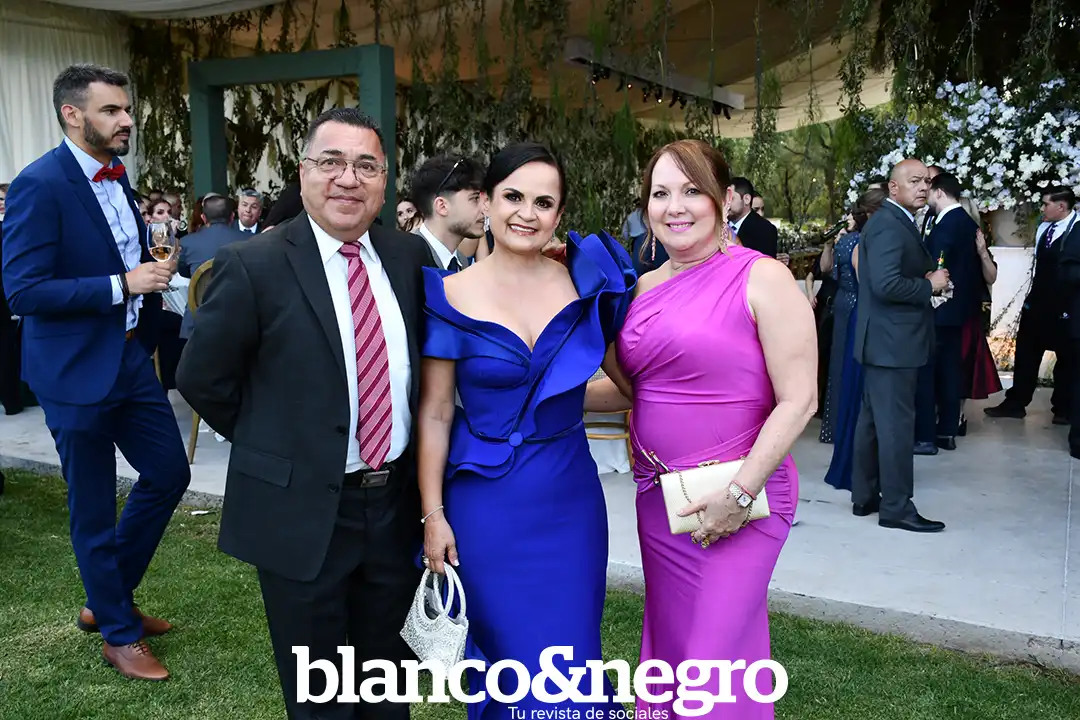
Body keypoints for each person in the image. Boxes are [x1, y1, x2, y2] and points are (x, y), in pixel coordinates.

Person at [176, 107, 434, 720]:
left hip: (393, 508)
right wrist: (281, 445)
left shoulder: (409, 258)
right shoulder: (252, 264)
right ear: (303, 172)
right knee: (320, 697)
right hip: (299, 513)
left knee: (386, 689)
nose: (348, 178)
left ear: (385, 179)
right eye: (331, 162)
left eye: (366, 165)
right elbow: (203, 379)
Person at [586, 139, 817, 718]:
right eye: (660, 193)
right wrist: (539, 396)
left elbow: (800, 400)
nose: (675, 207)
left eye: (691, 190)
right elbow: (641, 390)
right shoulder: (642, 289)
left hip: (745, 498)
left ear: (723, 198)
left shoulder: (763, 278)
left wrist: (738, 494)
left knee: (708, 666)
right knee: (674, 651)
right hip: (662, 500)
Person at [419, 141, 635, 720]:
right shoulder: (447, 293)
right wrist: (433, 515)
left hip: (569, 505)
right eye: (513, 196)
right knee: (507, 665)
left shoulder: (583, 285)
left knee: (571, 662)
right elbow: (436, 413)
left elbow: (629, 388)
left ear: (559, 214)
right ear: (485, 202)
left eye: (544, 202)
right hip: (484, 509)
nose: (526, 213)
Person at [1, 63, 190, 679]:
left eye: (127, 109)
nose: (126, 119)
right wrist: (122, 283)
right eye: (111, 110)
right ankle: (117, 630)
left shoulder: (119, 176)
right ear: (72, 114)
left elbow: (122, 255)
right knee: (92, 505)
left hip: (129, 356)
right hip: (71, 368)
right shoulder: (39, 184)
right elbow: (23, 290)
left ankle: (106, 597)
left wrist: (151, 274)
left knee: (170, 473)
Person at [850, 158, 949, 533]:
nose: (923, 187)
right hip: (892, 343)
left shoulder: (894, 221)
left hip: (885, 341)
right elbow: (886, 285)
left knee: (874, 423)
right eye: (914, 181)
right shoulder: (890, 225)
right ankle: (896, 507)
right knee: (895, 427)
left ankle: (866, 496)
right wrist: (929, 285)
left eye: (927, 182)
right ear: (894, 188)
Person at [823, 188, 886, 491]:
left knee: (846, 380)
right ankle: (855, 466)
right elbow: (869, 285)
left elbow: (831, 273)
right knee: (860, 390)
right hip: (864, 315)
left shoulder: (847, 241)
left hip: (848, 309)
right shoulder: (863, 243)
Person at [914, 172, 982, 452]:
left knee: (927, 372)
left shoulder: (945, 225)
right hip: (960, 310)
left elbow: (937, 267)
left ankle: (925, 436)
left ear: (939, 192)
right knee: (950, 372)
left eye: (929, 190)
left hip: (939, 308)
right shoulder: (968, 222)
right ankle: (947, 431)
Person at [408, 154, 487, 271]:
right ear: (442, 206)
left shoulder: (461, 261)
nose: (485, 208)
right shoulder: (407, 261)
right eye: (475, 198)